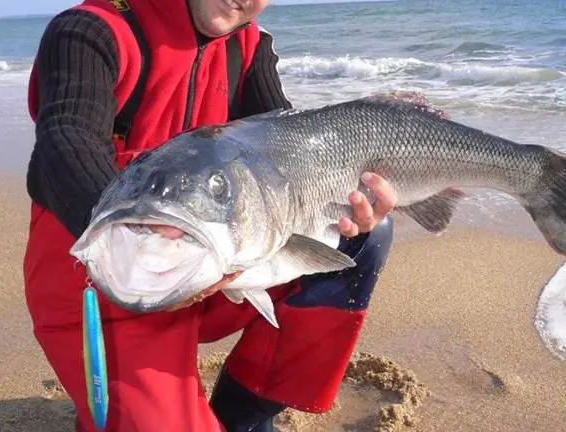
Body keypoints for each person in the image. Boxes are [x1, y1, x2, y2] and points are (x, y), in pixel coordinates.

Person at [23, 0, 397, 430]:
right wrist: (139, 245)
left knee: (362, 238)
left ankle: (246, 414)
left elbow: (291, 153)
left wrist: (354, 200)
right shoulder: (90, 32)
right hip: (107, 279)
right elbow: (65, 145)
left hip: (220, 264)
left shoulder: (248, 47)